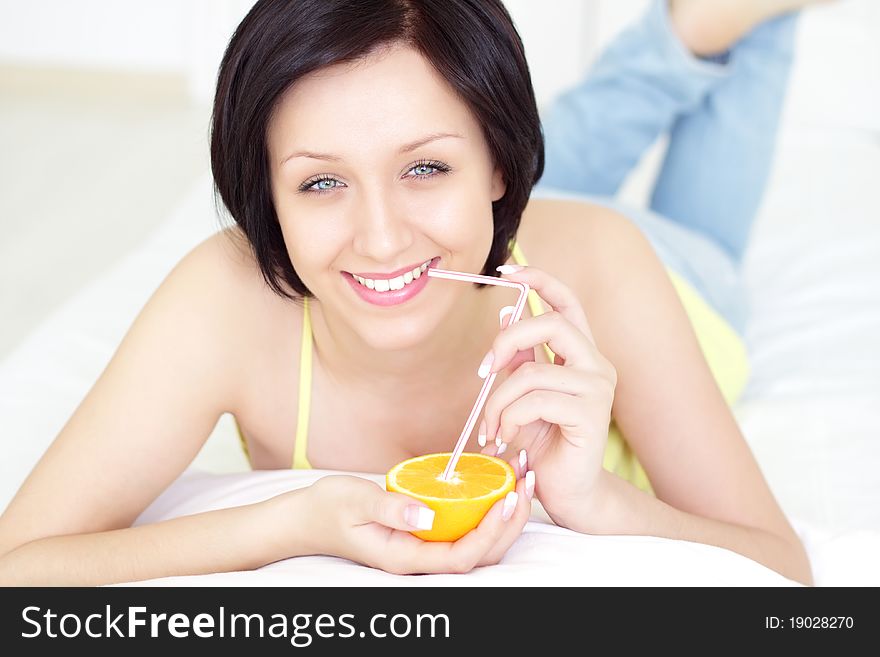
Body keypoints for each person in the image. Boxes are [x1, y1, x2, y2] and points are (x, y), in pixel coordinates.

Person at [0, 0, 816, 586]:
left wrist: (593, 499)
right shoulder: (225, 299)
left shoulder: (610, 267)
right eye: (320, 182)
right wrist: (292, 520)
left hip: (672, 272)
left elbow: (785, 571)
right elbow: (17, 570)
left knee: (700, 231)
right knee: (498, 169)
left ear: (500, 170)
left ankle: (704, 31)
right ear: (267, 200)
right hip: (480, 231)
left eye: (425, 166)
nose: (380, 236)